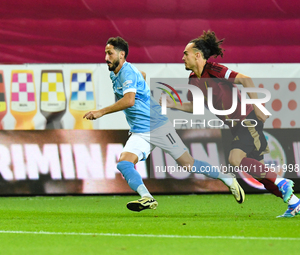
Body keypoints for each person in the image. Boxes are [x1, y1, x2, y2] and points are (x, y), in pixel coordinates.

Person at [83, 36, 245, 212]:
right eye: (105, 53)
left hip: (157, 127)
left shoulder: (127, 73)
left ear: (122, 55)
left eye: (110, 53)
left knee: (188, 164)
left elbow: (129, 101)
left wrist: (100, 112)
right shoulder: (118, 73)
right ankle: (147, 198)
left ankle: (227, 178)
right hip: (140, 131)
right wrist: (141, 84)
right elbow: (142, 76)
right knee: (124, 163)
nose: (106, 57)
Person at [162, 30, 299, 218]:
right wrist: (172, 105)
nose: (182, 57)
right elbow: (195, 106)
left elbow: (245, 79)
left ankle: (282, 182)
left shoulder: (214, 70)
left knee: (235, 159)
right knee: (262, 176)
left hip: (247, 120)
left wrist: (258, 106)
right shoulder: (194, 81)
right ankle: (294, 203)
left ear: (198, 55)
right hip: (236, 127)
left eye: (186, 54)